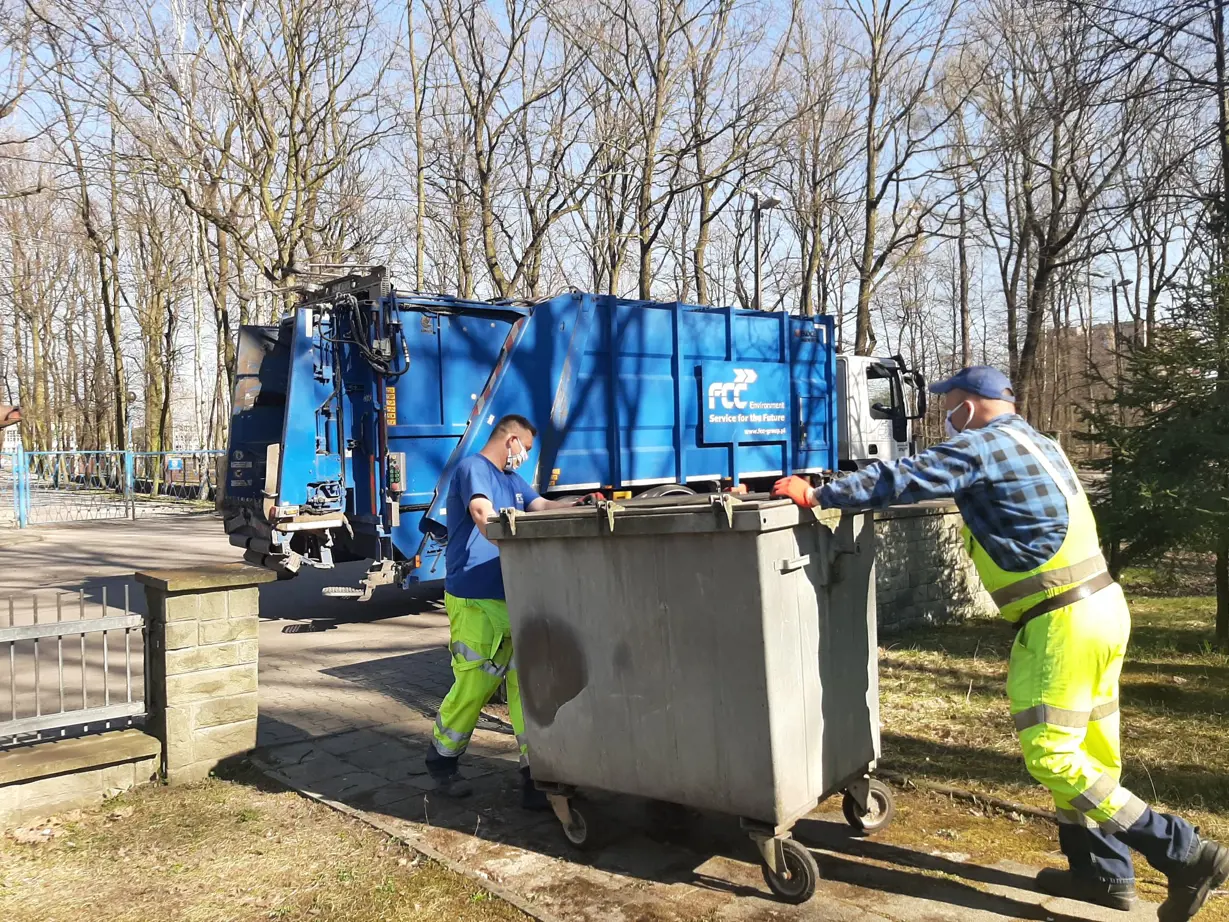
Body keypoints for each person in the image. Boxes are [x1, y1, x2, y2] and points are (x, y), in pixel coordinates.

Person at [772, 366, 1228, 921]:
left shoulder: (982, 445)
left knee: (1054, 755)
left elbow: (904, 478)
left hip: (1060, 621)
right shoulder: (1040, 442)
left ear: (971, 403)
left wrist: (817, 492)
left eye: (951, 402)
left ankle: (1185, 852)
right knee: (1091, 754)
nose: (948, 414)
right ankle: (1103, 875)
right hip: (1103, 608)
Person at [427, 414, 598, 809]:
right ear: (512, 440)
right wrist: (509, 539)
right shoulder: (475, 469)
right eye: (526, 449)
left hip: (512, 593)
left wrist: (582, 505)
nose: (524, 458)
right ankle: (442, 761)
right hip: (475, 596)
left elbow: (542, 506)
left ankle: (534, 773)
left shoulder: (511, 480)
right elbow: (482, 514)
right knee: (476, 684)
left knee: (527, 684)